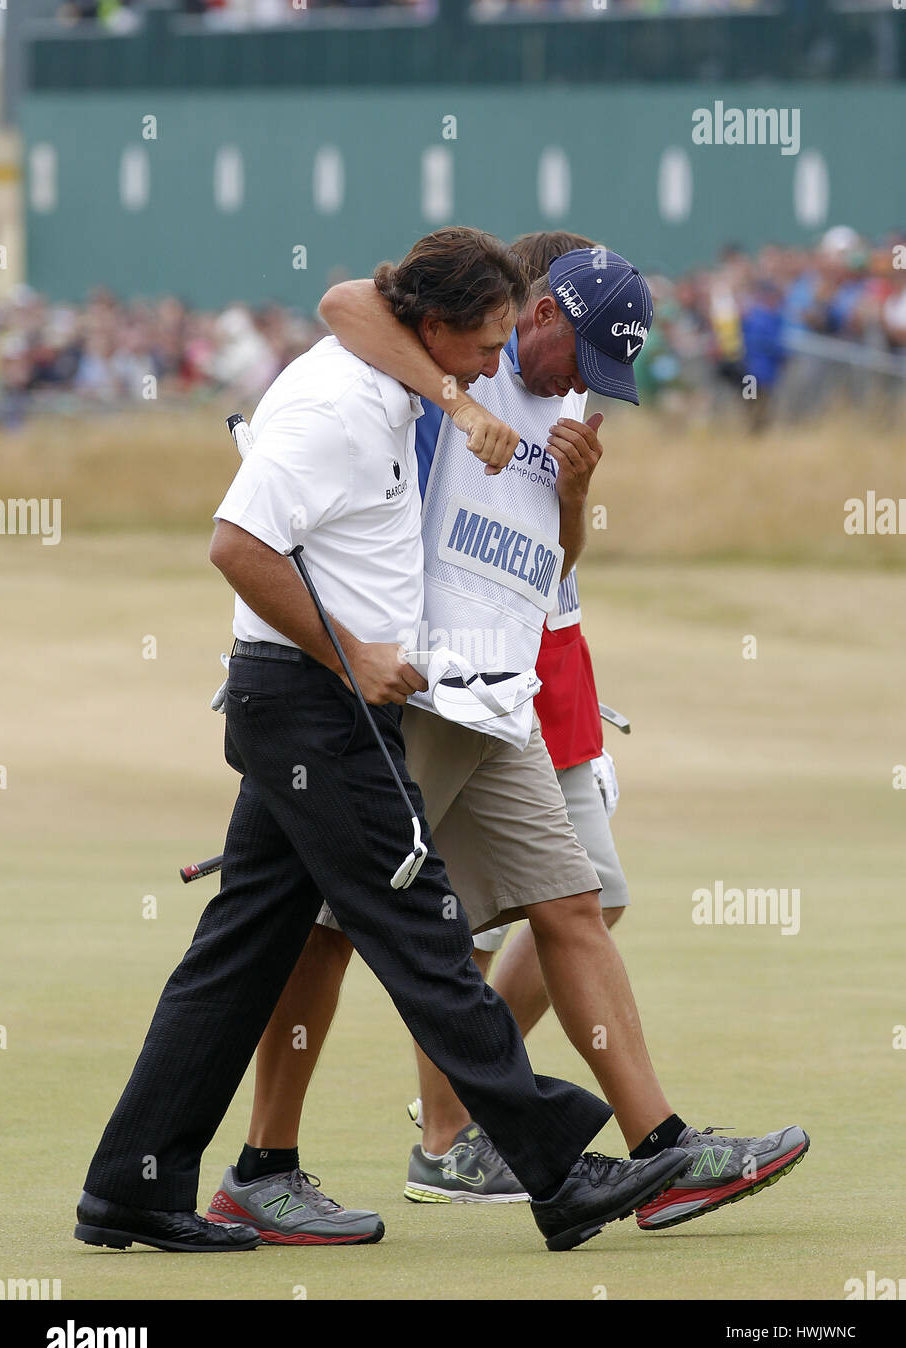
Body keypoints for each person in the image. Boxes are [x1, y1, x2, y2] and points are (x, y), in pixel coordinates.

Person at [74, 226, 690, 1256]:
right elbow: (237, 543)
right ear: (437, 328)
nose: (496, 370)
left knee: (239, 950)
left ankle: (137, 1183)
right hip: (311, 698)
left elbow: (381, 324)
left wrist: (461, 409)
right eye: (485, 345)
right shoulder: (337, 405)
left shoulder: (405, 388)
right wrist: (354, 652)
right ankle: (552, 1162)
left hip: (330, 698)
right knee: (421, 933)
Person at [206, 235, 808, 1241]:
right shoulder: (457, 356)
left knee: (573, 902)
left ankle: (661, 1150)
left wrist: (574, 494)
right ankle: (265, 1163)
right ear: (539, 317)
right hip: (420, 690)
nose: (588, 389)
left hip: (502, 695)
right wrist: (460, 403)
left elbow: (554, 563)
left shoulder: (569, 403)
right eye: (582, 359)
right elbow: (344, 299)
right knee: (327, 927)